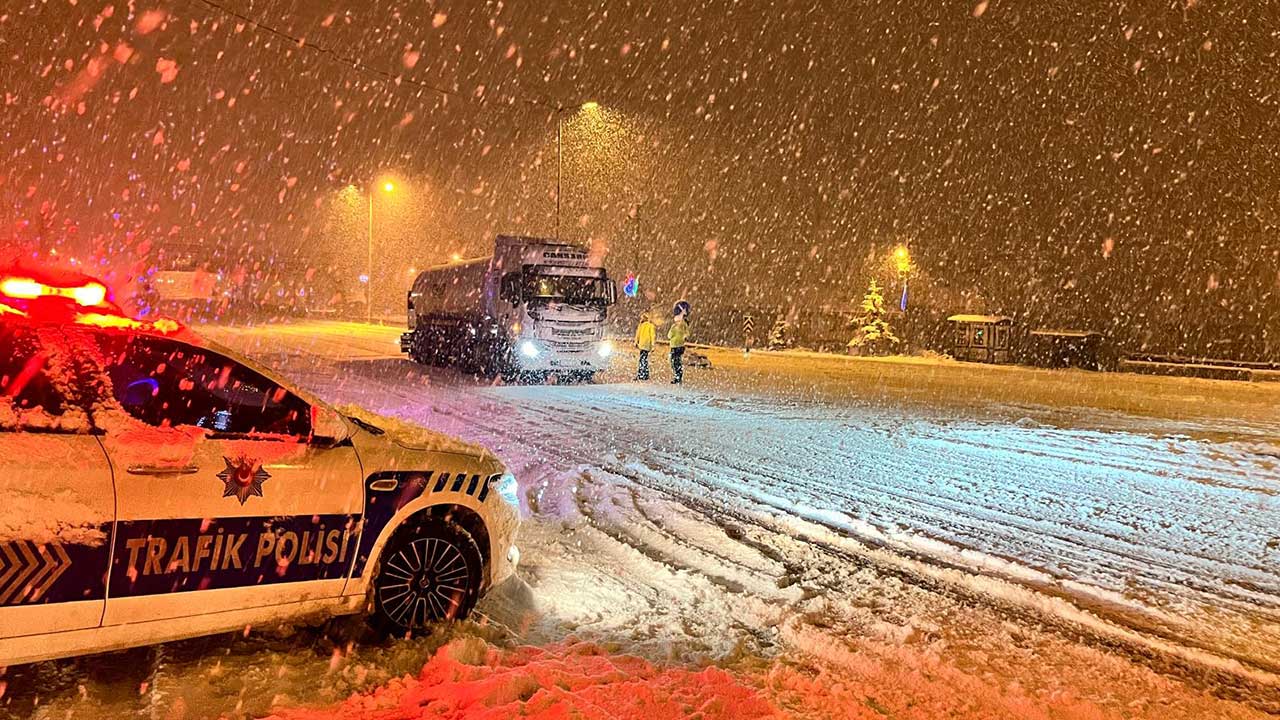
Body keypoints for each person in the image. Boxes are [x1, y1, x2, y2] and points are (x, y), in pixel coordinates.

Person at [668, 302, 690, 384]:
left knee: (674, 362)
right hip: (681, 345)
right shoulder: (684, 325)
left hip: (674, 345)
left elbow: (669, 335)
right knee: (678, 361)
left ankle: (677, 376)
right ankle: (679, 376)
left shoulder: (674, 327)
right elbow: (687, 334)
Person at [634, 312, 655, 381]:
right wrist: (652, 345)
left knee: (642, 359)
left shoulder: (641, 325)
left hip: (642, 345)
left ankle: (641, 374)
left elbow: (638, 334)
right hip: (647, 345)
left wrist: (636, 342)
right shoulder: (651, 326)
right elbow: (653, 336)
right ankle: (645, 374)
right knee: (644, 359)